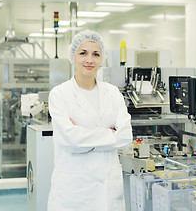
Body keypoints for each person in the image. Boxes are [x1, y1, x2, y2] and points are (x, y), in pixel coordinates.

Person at [47, 30, 133, 211]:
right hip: (75, 188)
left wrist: (84, 138)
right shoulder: (60, 94)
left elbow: (125, 137)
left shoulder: (112, 93)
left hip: (107, 187)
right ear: (72, 57)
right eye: (83, 53)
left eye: (96, 54)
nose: (89, 60)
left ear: (102, 59)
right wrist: (110, 134)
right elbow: (71, 140)